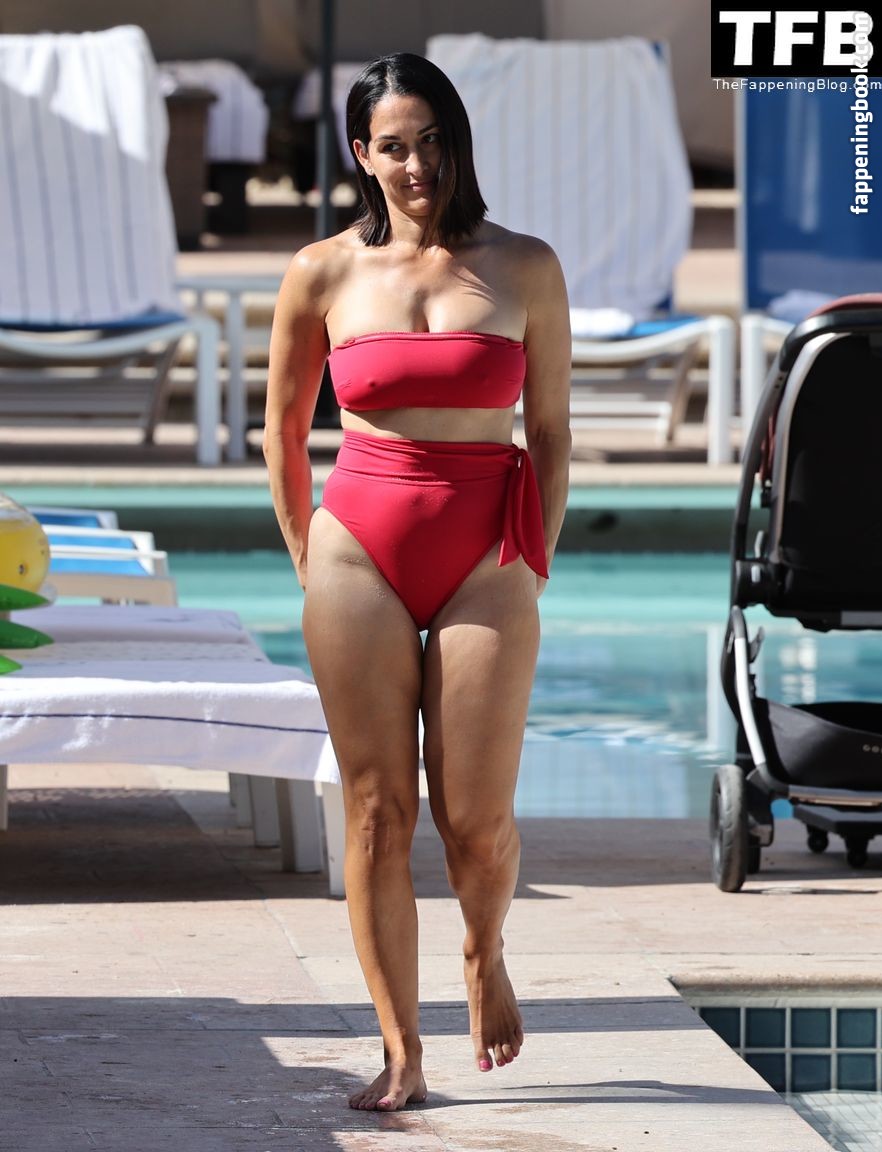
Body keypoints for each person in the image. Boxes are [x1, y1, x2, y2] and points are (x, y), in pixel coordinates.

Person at [264, 52, 571, 1112]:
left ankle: (483, 951)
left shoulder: (525, 266)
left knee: (475, 822)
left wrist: (534, 559)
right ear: (361, 153)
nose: (416, 165)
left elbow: (551, 432)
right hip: (360, 545)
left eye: (432, 141)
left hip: (488, 551)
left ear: (457, 142)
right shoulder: (321, 272)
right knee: (375, 811)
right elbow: (283, 430)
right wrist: (309, 557)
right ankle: (401, 1050)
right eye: (393, 146)